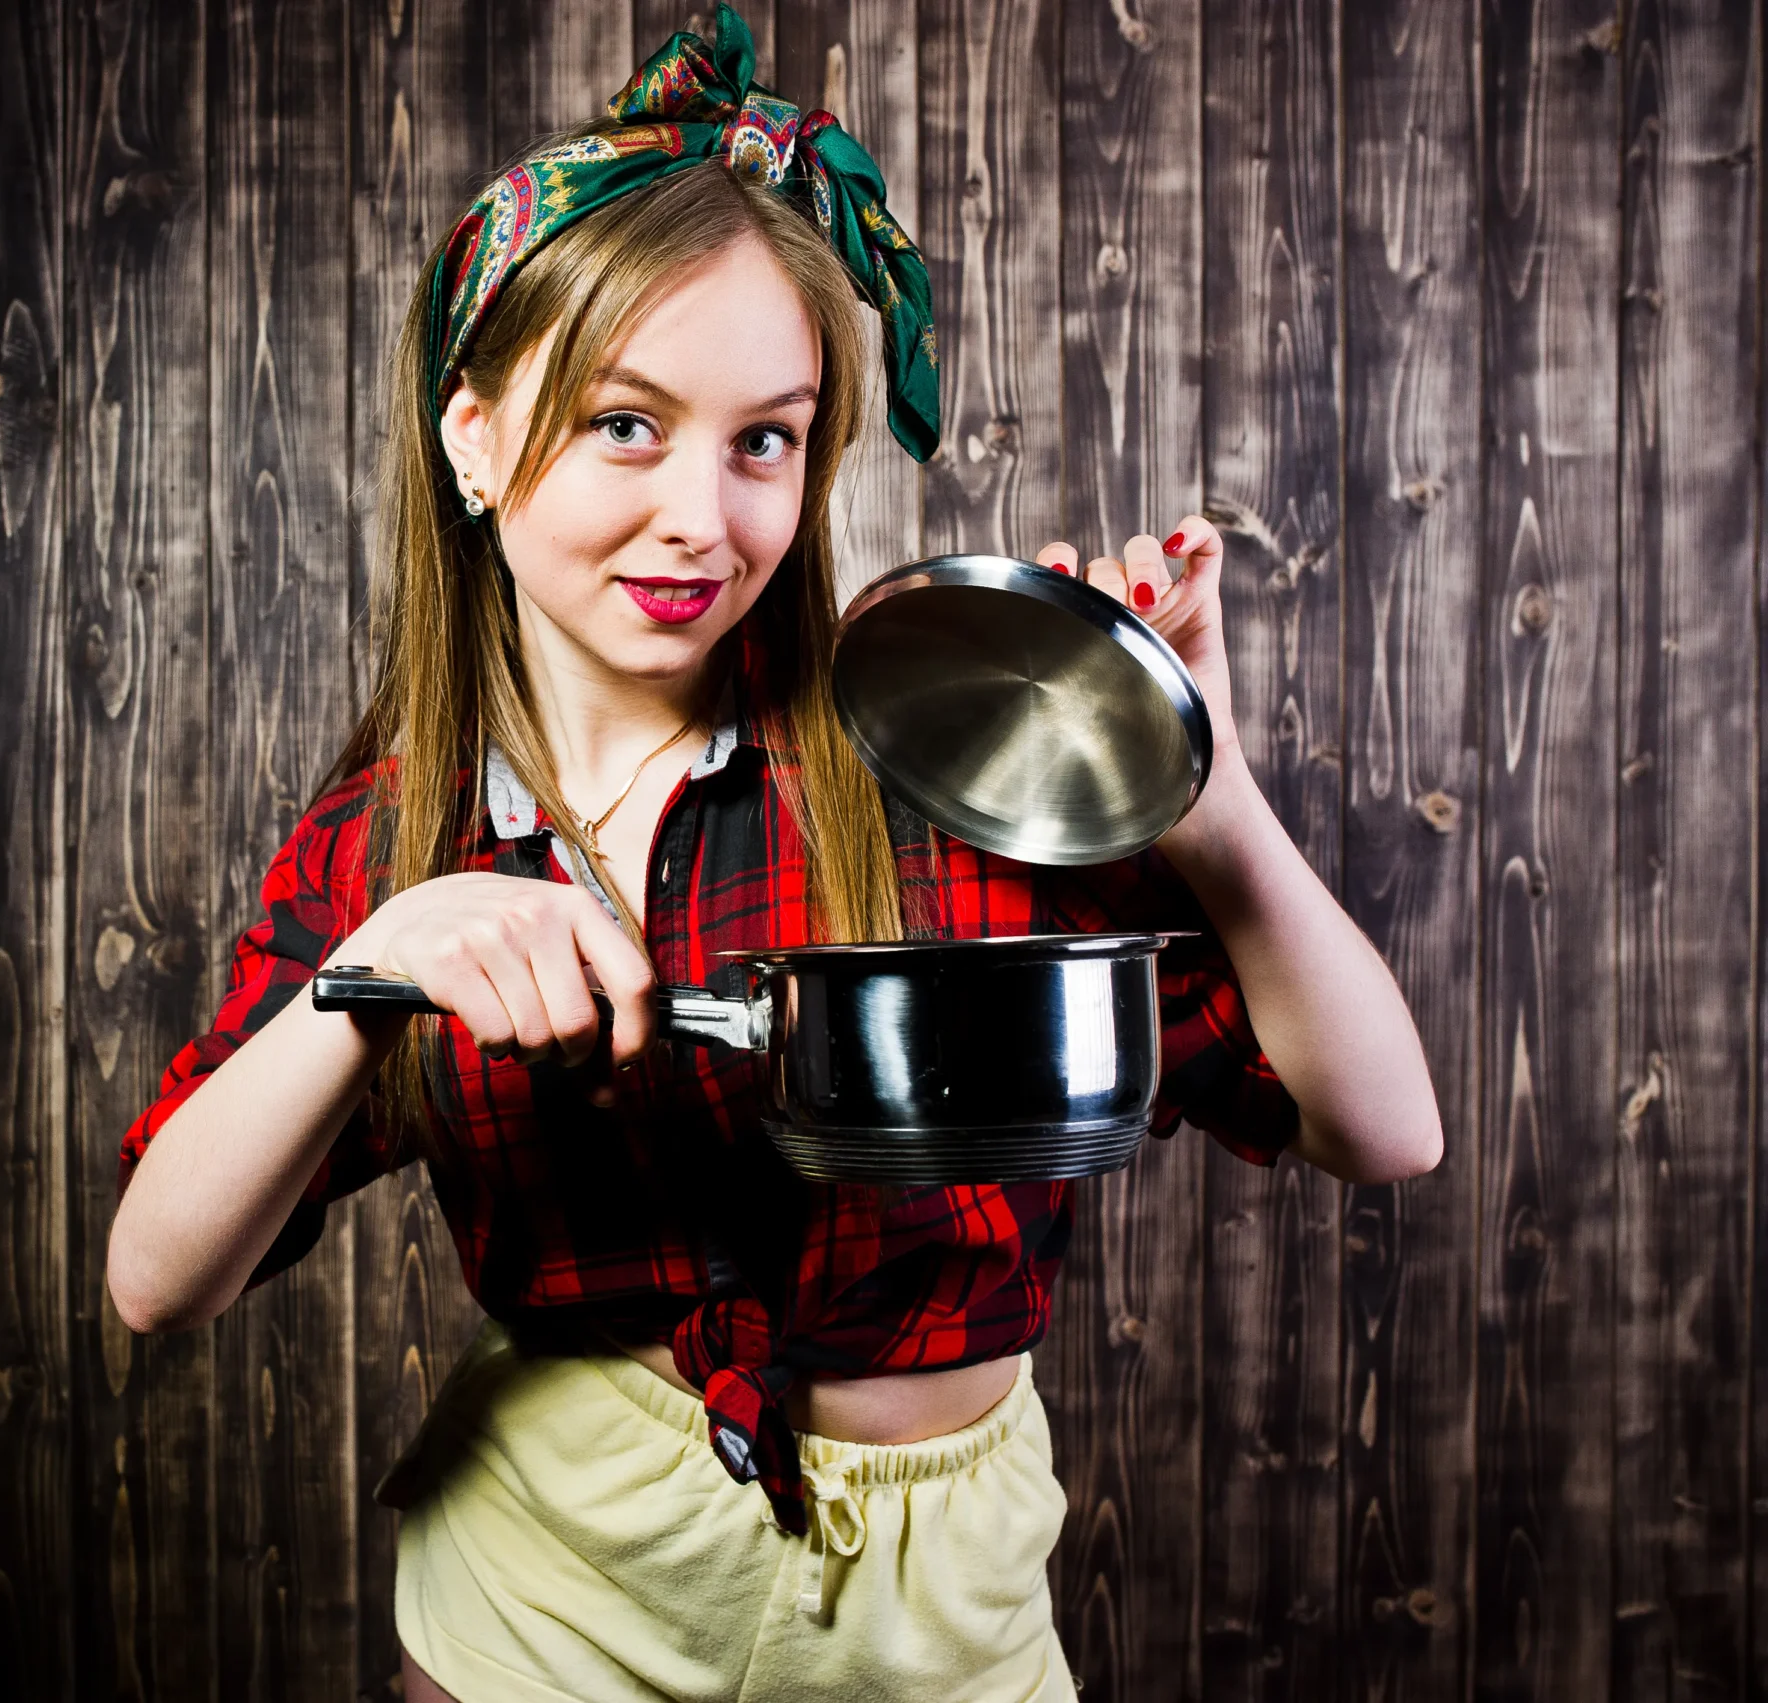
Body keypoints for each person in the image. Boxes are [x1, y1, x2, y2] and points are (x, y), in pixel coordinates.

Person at [106, 8, 1442, 1698]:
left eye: (767, 439)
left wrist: (1207, 791)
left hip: (933, 1636)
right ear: (470, 437)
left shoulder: (943, 767)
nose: (703, 515)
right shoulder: (394, 834)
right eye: (623, 424)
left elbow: (1386, 1128)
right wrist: (385, 963)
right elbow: (156, 1277)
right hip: (547, 1611)